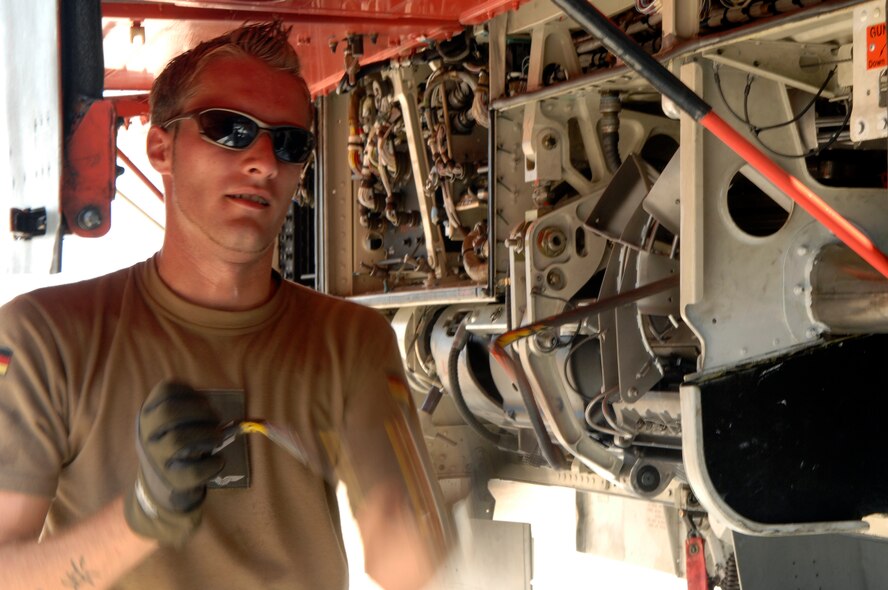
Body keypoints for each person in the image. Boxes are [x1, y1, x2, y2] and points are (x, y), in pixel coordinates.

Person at [0, 21, 450, 590]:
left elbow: (412, 568)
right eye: (230, 130)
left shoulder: (351, 343)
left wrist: (402, 504)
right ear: (161, 147)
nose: (264, 160)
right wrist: (143, 516)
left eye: (289, 142)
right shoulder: (45, 337)